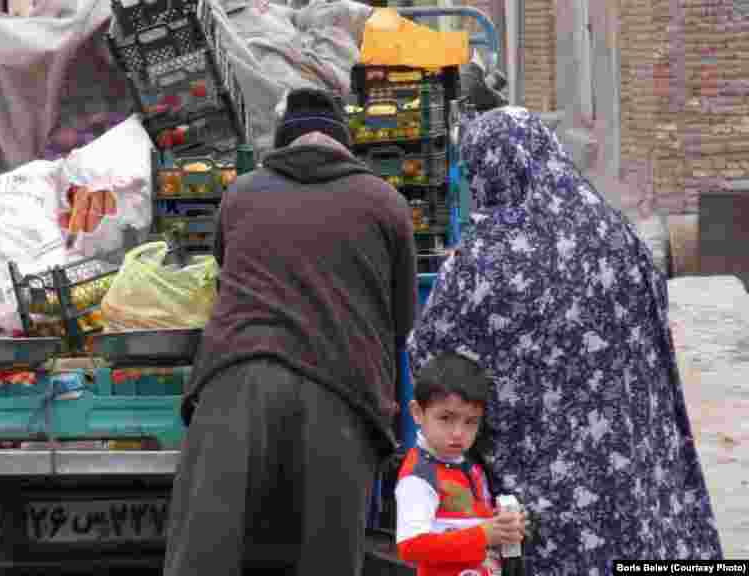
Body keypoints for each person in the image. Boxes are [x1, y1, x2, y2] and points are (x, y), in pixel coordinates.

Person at [407, 107, 724, 574]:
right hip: (633, 469)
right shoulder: (617, 235)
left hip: (544, 487)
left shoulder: (481, 261)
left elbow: (431, 358)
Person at [163, 88, 418, 576]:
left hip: (235, 383)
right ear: (346, 143)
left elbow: (223, 271)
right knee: (323, 557)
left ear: (283, 142)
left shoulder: (240, 193)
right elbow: (401, 322)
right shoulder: (387, 204)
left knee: (208, 553)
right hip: (339, 392)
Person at [395, 351, 526, 576]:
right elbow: (411, 547)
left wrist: (503, 524)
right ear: (417, 413)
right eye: (446, 418)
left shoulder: (467, 463)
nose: (458, 433)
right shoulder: (418, 477)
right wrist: (484, 534)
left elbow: (467, 518)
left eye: (470, 422)